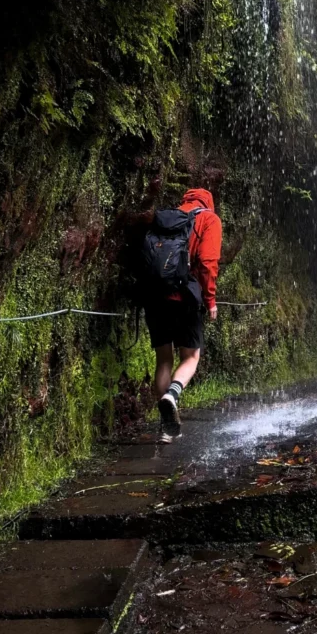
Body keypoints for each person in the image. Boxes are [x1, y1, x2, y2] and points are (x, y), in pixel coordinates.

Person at [144, 187, 222, 443]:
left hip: (154, 296)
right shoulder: (208, 219)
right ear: (208, 202)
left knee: (163, 359)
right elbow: (208, 262)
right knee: (191, 356)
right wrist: (210, 300)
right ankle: (172, 396)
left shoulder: (169, 219)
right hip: (184, 297)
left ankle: (166, 430)